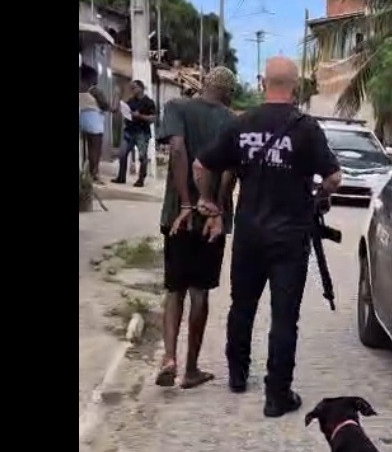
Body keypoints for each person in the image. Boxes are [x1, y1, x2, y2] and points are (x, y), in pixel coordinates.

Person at [194, 56, 343, 418]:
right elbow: (334, 177)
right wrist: (320, 193)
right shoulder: (306, 128)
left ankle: (237, 376)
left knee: (241, 306)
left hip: (249, 233)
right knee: (283, 316)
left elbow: (201, 164)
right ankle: (277, 395)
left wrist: (207, 202)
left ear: (263, 83)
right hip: (289, 238)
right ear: (295, 86)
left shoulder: (241, 124)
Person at [154, 66, 238, 388]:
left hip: (177, 214)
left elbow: (177, 149)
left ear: (203, 85)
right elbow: (231, 170)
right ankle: (190, 370)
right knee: (199, 293)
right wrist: (215, 205)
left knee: (174, 289)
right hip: (211, 223)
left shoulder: (177, 108)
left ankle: (169, 358)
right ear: (229, 92)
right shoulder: (232, 121)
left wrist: (187, 203)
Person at [114, 80, 157, 186]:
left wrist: (140, 116)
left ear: (141, 88)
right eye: (131, 88)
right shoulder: (131, 101)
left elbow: (153, 118)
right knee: (122, 154)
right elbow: (125, 111)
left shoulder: (149, 102)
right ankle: (121, 177)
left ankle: (141, 179)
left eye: (134, 87)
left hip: (142, 132)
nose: (132, 90)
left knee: (142, 156)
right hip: (129, 131)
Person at [78, 65, 110, 183]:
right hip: (94, 120)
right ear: (91, 77)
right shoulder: (95, 91)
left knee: (83, 148)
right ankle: (94, 174)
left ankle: (83, 172)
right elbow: (105, 106)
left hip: (81, 117)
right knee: (95, 149)